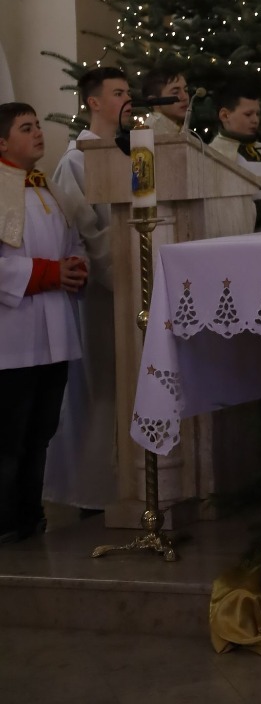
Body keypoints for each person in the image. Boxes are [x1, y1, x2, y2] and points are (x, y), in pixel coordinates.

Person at [0, 102, 88, 541]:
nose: (38, 133)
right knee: (9, 435)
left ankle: (30, 515)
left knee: (42, 431)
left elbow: (74, 242)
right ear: (2, 142)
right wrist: (49, 273)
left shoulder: (46, 187)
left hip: (55, 331)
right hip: (12, 337)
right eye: (25, 128)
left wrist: (76, 265)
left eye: (37, 125)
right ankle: (5, 519)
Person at [45, 67, 130, 511]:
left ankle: (129, 480)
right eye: (118, 93)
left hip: (131, 286)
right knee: (100, 389)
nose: (127, 99)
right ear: (93, 102)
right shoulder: (75, 161)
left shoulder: (129, 153)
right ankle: (93, 490)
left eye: (128, 91)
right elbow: (79, 230)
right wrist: (117, 265)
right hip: (100, 293)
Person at [210, 80, 261, 232]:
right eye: (248, 114)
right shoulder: (214, 156)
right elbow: (221, 213)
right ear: (225, 115)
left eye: (257, 114)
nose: (255, 120)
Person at [142, 65, 190, 140]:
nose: (185, 97)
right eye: (175, 92)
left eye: (186, 90)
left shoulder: (179, 127)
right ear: (154, 101)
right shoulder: (153, 132)